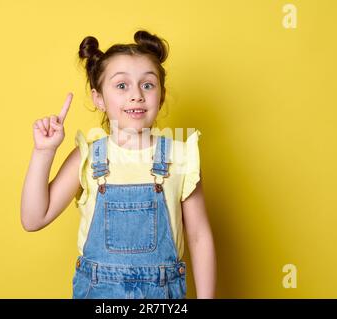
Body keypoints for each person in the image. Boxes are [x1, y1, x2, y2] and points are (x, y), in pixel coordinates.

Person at [20, 30, 216, 299]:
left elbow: (198, 237)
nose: (136, 95)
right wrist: (44, 152)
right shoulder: (87, 157)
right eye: (121, 85)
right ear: (98, 98)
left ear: (161, 95)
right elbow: (33, 219)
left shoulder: (180, 156)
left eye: (147, 85)